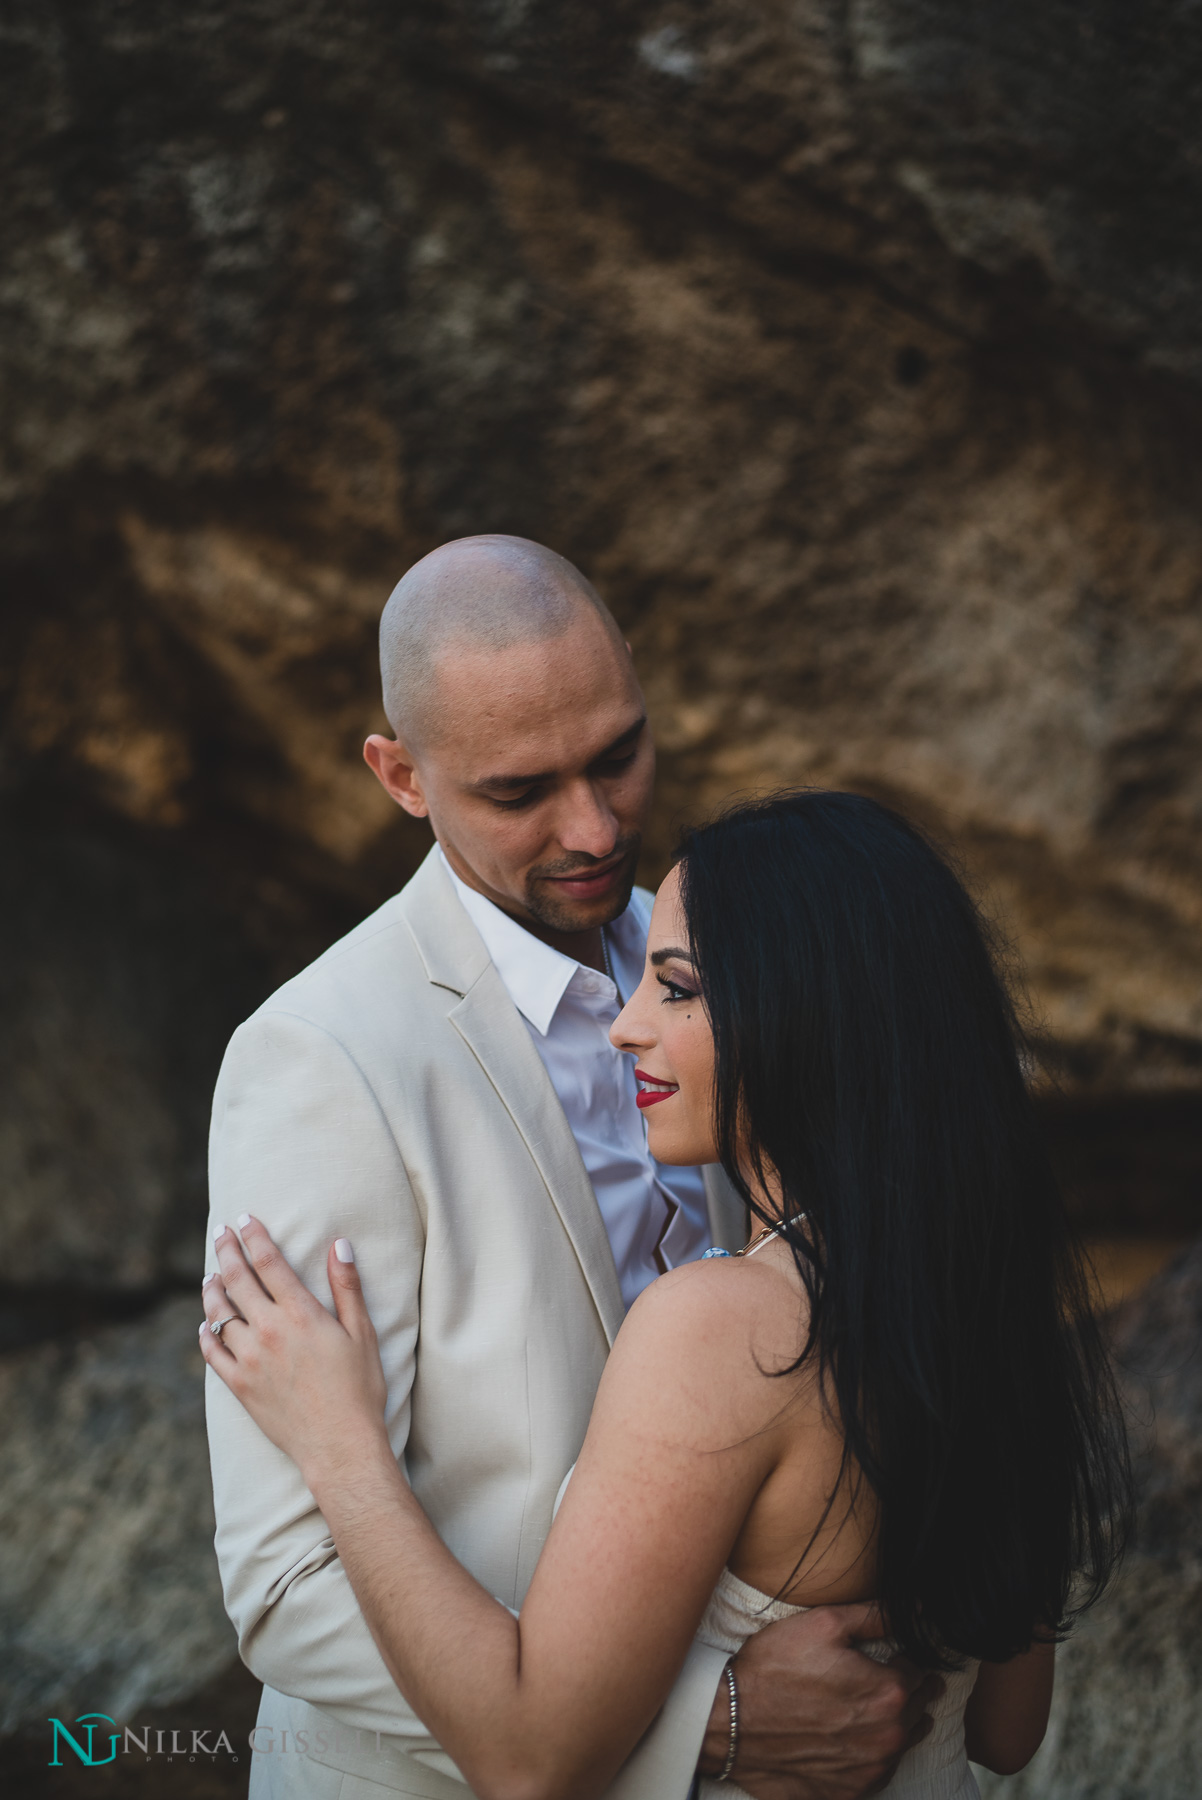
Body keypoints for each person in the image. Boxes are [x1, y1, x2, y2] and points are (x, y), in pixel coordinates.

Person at [202, 790, 1130, 1800]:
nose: (625, 1027)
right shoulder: (987, 1300)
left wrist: (339, 1445)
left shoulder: (721, 1329)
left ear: (803, 1012)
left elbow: (528, 1760)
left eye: (677, 989)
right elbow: (1003, 1728)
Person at [203, 538, 937, 1800]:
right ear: (401, 776)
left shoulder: (733, 961)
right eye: (518, 790)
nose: (593, 827)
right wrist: (703, 1724)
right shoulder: (319, 1059)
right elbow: (282, 1586)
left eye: (616, 755)